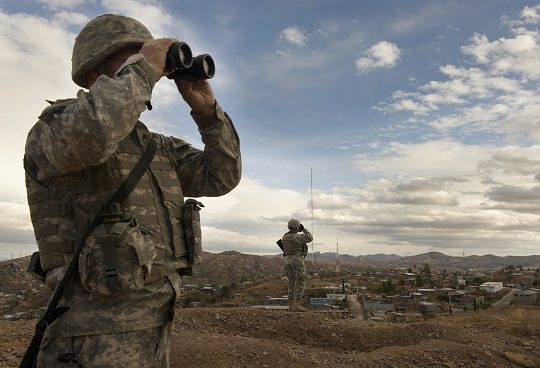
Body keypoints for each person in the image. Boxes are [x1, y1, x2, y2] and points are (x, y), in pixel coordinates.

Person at [23, 14, 241, 367]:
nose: (149, 67)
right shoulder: (57, 128)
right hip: (91, 337)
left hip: (157, 324)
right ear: (95, 67)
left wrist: (208, 113)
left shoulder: (157, 146)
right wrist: (143, 70)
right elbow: (95, 135)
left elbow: (221, 176)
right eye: (132, 56)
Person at [280, 219, 313, 312]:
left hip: (288, 261)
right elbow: (310, 238)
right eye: (298, 227)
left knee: (291, 282)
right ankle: (296, 304)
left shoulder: (285, 236)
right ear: (296, 227)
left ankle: (290, 305)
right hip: (297, 261)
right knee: (300, 282)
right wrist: (304, 229)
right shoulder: (297, 237)